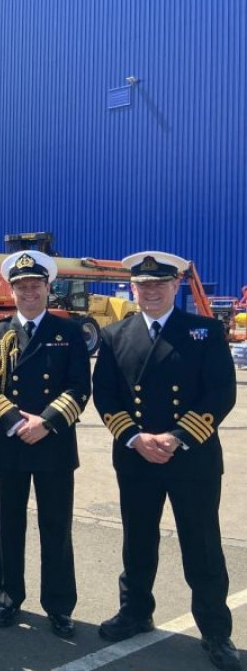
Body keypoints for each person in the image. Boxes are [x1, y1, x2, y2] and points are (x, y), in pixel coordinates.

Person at [93, 251, 239, 671]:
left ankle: (215, 632)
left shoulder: (205, 331)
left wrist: (176, 438)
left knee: (202, 545)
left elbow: (220, 394)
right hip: (137, 457)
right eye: (143, 285)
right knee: (138, 540)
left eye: (160, 284)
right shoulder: (115, 335)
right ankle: (136, 611)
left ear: (176, 287)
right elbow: (105, 394)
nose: (151, 291)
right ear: (132, 289)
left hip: (191, 458)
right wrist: (135, 437)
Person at [0, 251, 91, 637]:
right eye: (21, 286)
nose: (28, 292)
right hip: (10, 443)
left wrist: (48, 422)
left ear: (47, 288)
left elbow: (79, 387)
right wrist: (16, 421)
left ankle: (59, 606)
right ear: (12, 290)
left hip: (54, 442)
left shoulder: (69, 333)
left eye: (35, 285)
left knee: (55, 527)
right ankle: (7, 599)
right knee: (8, 525)